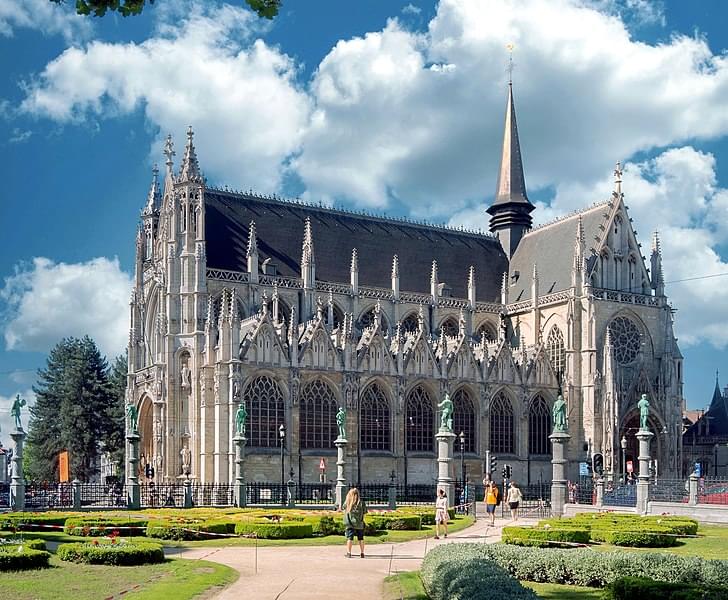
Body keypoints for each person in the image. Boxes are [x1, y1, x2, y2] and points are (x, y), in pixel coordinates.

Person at [343, 487, 367, 558]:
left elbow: (343, 508)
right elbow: (364, 513)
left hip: (350, 524)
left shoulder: (348, 502)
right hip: (359, 524)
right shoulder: (361, 503)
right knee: (361, 538)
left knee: (350, 538)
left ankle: (349, 552)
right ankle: (362, 553)